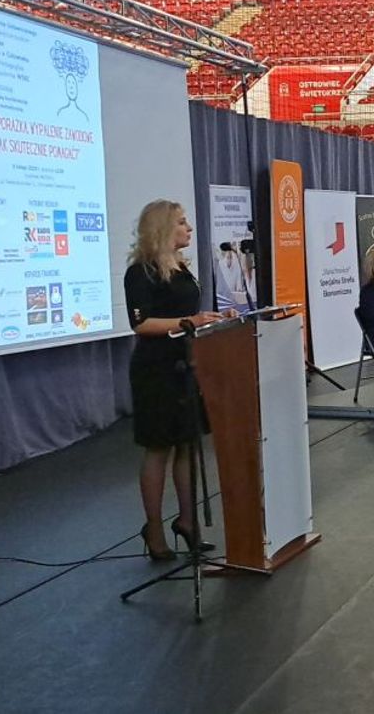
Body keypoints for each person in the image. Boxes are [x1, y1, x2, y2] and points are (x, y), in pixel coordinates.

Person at [123, 200, 228, 562]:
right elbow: (141, 323)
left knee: (187, 444)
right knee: (159, 448)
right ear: (163, 228)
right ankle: (153, 528)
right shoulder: (140, 272)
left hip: (187, 364)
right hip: (156, 369)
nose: (189, 228)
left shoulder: (182, 268)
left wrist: (211, 320)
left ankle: (187, 521)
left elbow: (188, 314)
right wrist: (189, 322)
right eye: (182, 222)